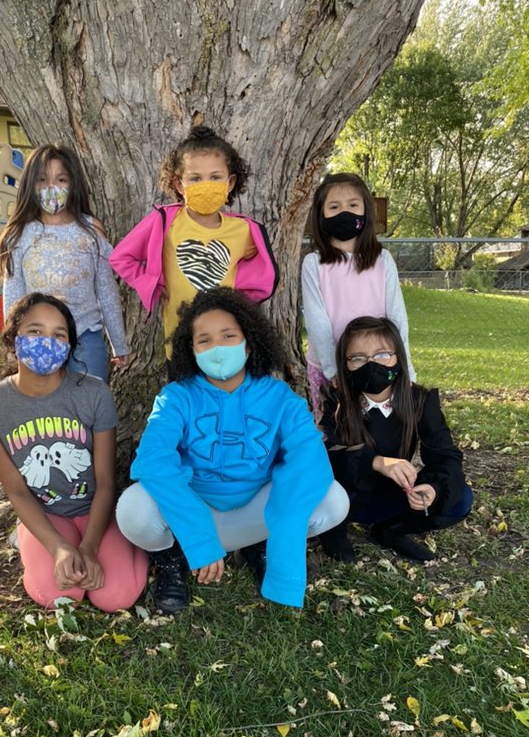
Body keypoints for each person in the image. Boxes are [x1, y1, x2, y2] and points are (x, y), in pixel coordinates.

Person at [116, 288, 349, 614]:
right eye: (205, 340)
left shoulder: (280, 396)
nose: (218, 348)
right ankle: (174, 556)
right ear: (192, 349)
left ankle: (259, 546)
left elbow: (308, 461)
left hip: (256, 506)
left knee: (333, 499)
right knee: (132, 510)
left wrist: (285, 546)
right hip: (194, 506)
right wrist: (199, 538)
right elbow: (155, 462)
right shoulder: (175, 397)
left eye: (228, 336)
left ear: (248, 343)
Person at [0, 293, 147, 611]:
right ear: (14, 338)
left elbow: (106, 482)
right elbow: (16, 491)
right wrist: (59, 548)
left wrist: (89, 547)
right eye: (35, 331)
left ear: (69, 346)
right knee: (62, 596)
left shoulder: (94, 393)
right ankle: (30, 539)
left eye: (59, 335)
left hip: (96, 512)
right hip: (45, 517)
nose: (46, 342)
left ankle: (117, 549)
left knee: (116, 597)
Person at [109, 125, 278, 363]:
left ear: (230, 183)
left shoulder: (244, 231)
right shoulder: (164, 222)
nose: (206, 184)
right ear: (179, 185)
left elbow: (261, 272)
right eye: (195, 178)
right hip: (180, 340)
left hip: (223, 342)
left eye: (215, 177)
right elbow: (121, 257)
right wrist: (151, 283)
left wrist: (240, 300)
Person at [319, 316, 472, 564]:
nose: (371, 365)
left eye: (382, 355)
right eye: (357, 358)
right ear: (345, 365)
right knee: (324, 488)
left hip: (394, 494)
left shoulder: (419, 401)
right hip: (347, 496)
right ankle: (334, 531)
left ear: (398, 357)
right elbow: (325, 454)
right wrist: (375, 461)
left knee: (460, 498)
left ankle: (390, 530)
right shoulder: (336, 401)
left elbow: (446, 455)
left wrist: (432, 489)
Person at [0, 144, 130, 382]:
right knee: (43, 402)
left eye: (61, 179)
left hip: (85, 338)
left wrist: (119, 343)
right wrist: (13, 343)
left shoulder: (91, 230)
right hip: (37, 339)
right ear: (30, 185)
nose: (51, 187)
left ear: (74, 184)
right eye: (42, 180)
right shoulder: (20, 234)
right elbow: (13, 294)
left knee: (89, 401)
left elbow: (106, 290)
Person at [302, 172, 414, 417]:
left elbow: (397, 315)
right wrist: (334, 370)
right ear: (321, 215)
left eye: (353, 205)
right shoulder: (313, 264)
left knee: (381, 425)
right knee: (336, 427)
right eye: (334, 207)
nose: (345, 212)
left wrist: (406, 367)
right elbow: (316, 320)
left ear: (366, 211)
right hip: (331, 368)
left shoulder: (382, 260)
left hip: (380, 365)